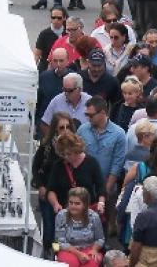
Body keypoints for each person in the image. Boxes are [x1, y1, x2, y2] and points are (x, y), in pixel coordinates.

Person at [33, 112, 75, 252]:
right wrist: (40, 186)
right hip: (48, 194)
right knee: (50, 228)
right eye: (61, 127)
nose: (65, 130)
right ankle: (49, 252)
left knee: (66, 230)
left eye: (67, 127)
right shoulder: (46, 146)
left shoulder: (76, 147)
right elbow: (35, 166)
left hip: (68, 195)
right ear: (55, 129)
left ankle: (59, 253)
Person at [46, 131, 107, 216]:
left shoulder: (91, 162)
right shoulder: (59, 165)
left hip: (87, 212)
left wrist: (101, 203)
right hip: (66, 212)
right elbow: (51, 190)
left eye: (69, 154)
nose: (66, 157)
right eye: (63, 154)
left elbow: (101, 187)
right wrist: (55, 204)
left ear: (76, 149)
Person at [77, 96, 127, 199]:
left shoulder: (119, 134)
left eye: (91, 115)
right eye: (87, 115)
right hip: (83, 187)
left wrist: (106, 190)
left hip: (107, 185)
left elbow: (117, 164)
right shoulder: (82, 130)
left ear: (103, 113)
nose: (88, 118)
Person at [55, 187, 105, 267]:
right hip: (68, 250)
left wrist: (94, 249)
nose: (73, 206)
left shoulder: (94, 217)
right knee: (71, 263)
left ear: (85, 205)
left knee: (91, 263)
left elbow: (100, 239)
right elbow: (60, 242)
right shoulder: (61, 215)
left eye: (77, 203)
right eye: (71, 203)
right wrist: (78, 254)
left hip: (89, 249)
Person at [35, 7, 68, 73]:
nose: (56, 20)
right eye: (53, 17)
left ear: (64, 18)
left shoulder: (68, 33)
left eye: (59, 18)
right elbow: (37, 54)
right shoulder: (44, 34)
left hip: (65, 66)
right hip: (46, 66)